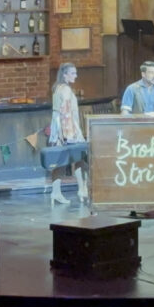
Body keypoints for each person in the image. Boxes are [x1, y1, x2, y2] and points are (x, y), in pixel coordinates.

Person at [48, 63, 88, 205]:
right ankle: (82, 189)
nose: (75, 76)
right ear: (64, 74)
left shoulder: (58, 88)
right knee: (79, 158)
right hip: (66, 128)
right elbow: (65, 113)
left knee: (60, 162)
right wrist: (70, 134)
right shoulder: (64, 89)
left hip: (59, 127)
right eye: (73, 73)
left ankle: (56, 192)